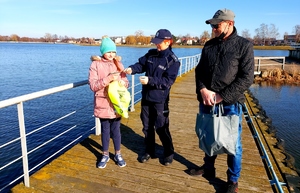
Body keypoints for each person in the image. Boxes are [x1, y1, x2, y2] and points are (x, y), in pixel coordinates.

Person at [191, 9, 254, 193]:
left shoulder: (244, 46)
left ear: (229, 24)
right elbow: (199, 71)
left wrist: (221, 96)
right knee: (208, 136)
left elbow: (246, 78)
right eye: (212, 25)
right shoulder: (209, 45)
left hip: (230, 103)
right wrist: (202, 89)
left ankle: (232, 181)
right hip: (207, 101)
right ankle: (208, 168)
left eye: (216, 25)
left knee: (233, 143)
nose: (213, 29)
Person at [124, 29, 180, 166]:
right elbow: (140, 65)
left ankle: (168, 153)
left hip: (160, 100)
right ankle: (149, 150)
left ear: (168, 42)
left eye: (159, 43)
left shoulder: (173, 61)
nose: (156, 45)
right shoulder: (151, 54)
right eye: (155, 42)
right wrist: (132, 69)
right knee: (147, 126)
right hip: (146, 98)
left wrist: (150, 80)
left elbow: (168, 82)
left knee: (161, 127)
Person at [88, 36, 129, 169]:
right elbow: (93, 85)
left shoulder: (118, 64)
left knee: (116, 130)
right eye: (108, 51)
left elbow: (126, 82)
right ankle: (105, 154)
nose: (111, 54)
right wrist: (109, 78)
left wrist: (124, 83)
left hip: (117, 103)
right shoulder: (96, 64)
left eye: (113, 52)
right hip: (103, 103)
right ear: (102, 51)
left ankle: (118, 154)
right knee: (105, 130)